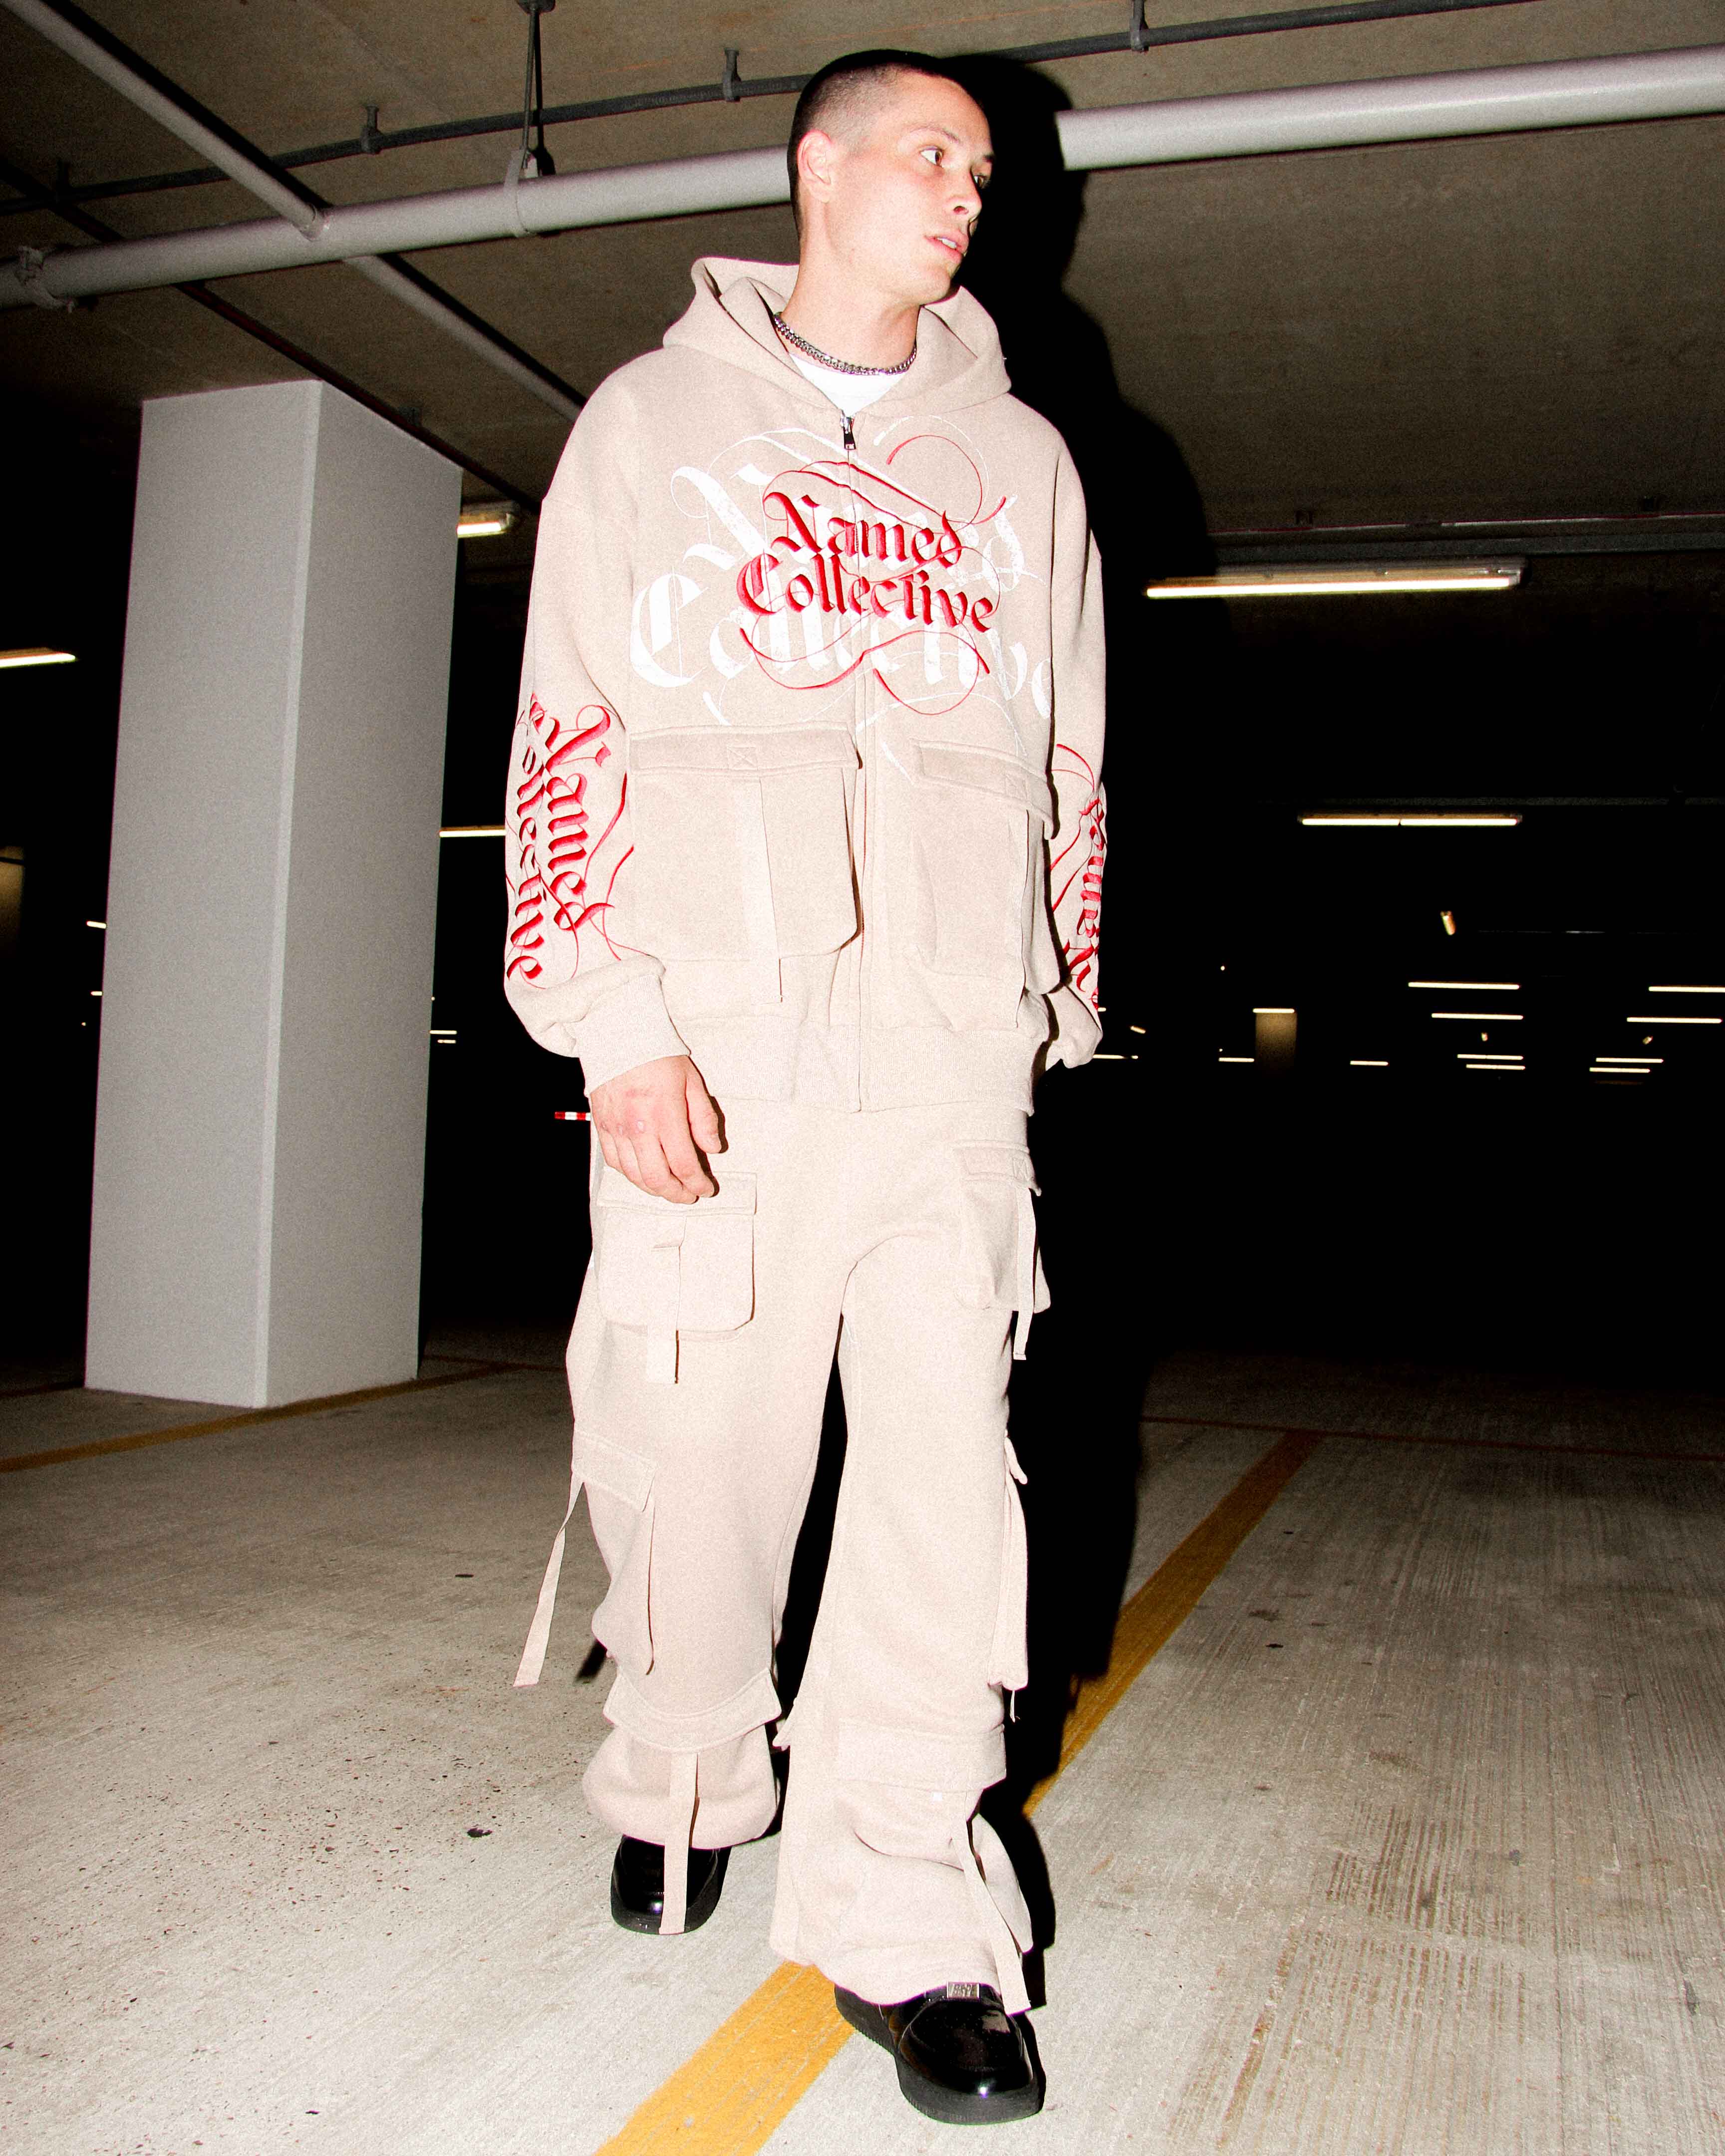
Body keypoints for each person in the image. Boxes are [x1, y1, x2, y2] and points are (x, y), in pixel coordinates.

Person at [504, 48, 1106, 2127]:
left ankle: (908, 1915)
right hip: (719, 1043)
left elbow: (1069, 759)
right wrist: (613, 1020)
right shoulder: (650, 426)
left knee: (945, 1491)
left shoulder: (1020, 464)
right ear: (816, 168)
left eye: (985, 171)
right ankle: (681, 1770)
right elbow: (570, 722)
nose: (967, 193)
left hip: (945, 1053)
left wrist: (1045, 1008)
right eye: (931, 154)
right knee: (695, 1458)